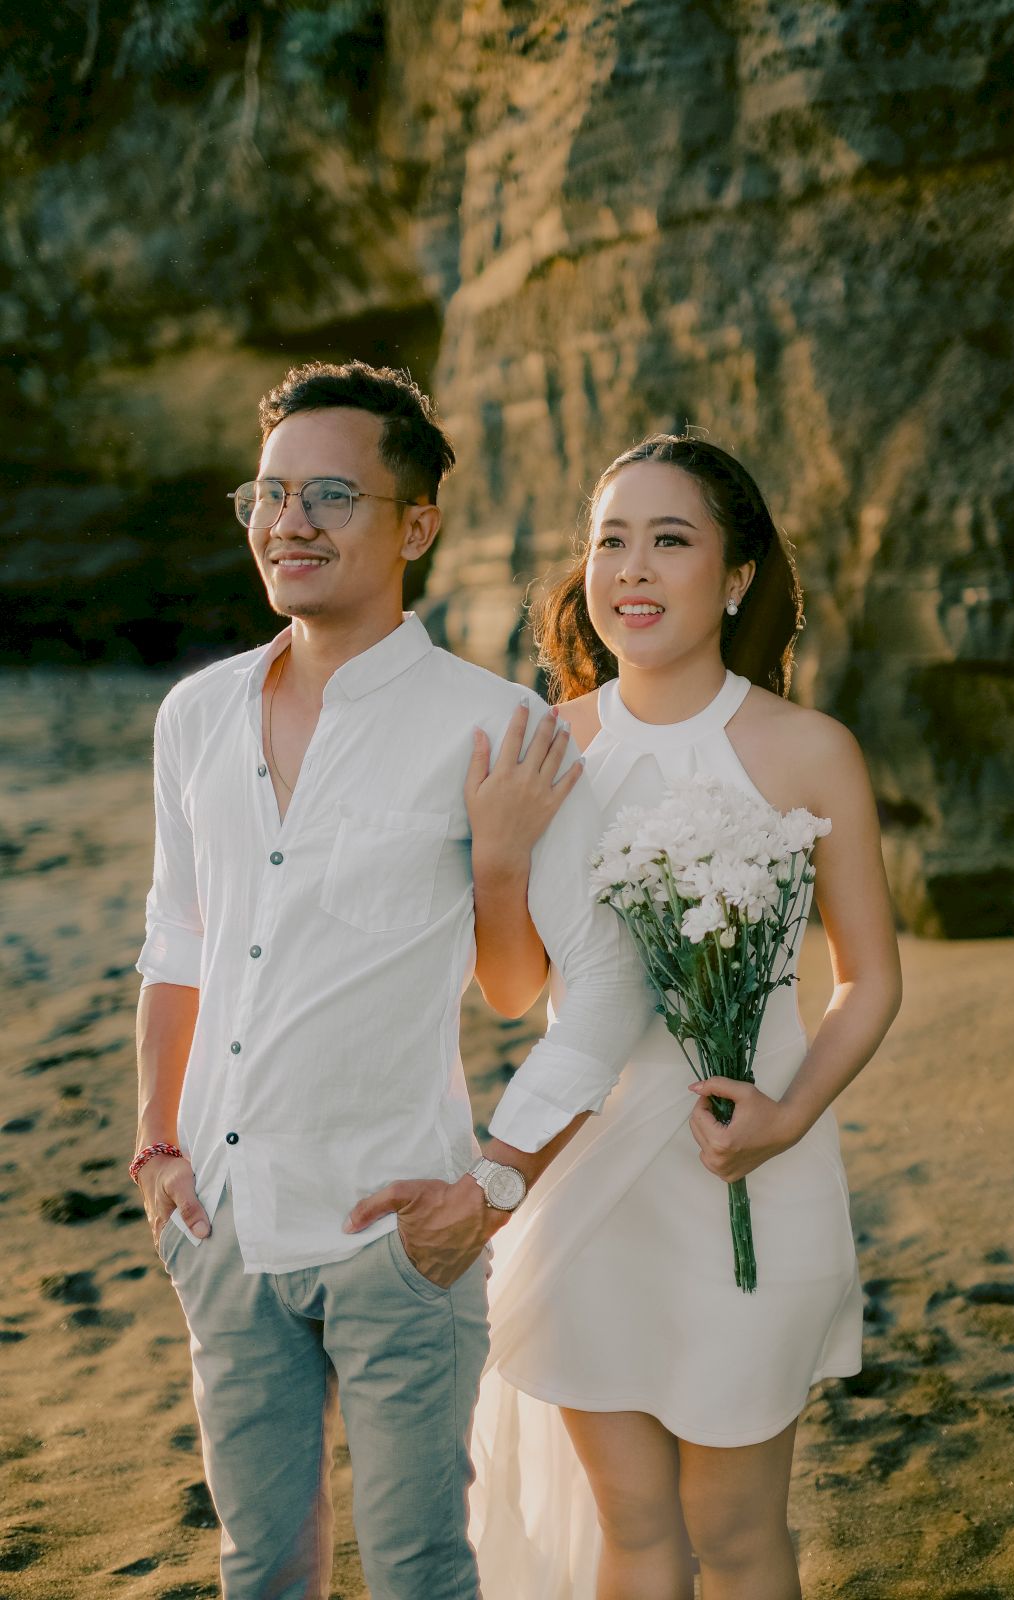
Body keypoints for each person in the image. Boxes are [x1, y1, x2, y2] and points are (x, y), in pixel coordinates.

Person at [131, 358, 651, 1600]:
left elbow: (598, 990)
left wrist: (491, 1185)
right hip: (219, 1219)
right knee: (259, 1566)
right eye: (268, 494)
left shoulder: (498, 727)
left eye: (329, 495)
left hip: (400, 1239)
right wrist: (156, 1146)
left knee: (419, 1570)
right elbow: (177, 940)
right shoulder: (194, 715)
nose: (289, 522)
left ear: (415, 526)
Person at [464, 434, 903, 1600]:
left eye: (669, 539)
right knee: (636, 1526)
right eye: (610, 541)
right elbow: (513, 990)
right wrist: (497, 861)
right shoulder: (550, 746)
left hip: (755, 1168)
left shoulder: (808, 750)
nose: (632, 568)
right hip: (589, 1175)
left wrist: (784, 1116)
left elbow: (868, 979)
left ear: (736, 574)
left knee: (735, 1531)